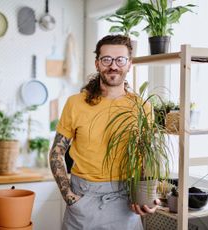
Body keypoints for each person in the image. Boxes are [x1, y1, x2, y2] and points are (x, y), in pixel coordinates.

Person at [49, 35, 159, 230]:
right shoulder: (75, 103)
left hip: (126, 204)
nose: (113, 66)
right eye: (106, 59)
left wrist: (146, 195)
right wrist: (70, 198)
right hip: (83, 201)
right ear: (97, 64)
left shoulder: (143, 108)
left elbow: (146, 157)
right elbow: (57, 151)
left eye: (120, 60)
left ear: (129, 64)